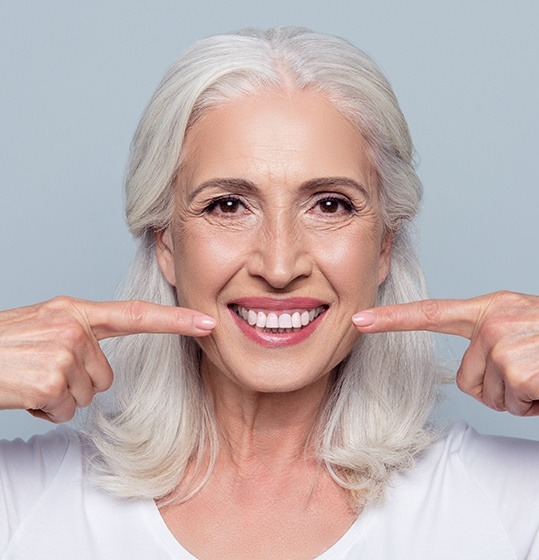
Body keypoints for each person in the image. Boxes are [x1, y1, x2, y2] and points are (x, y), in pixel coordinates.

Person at [0, 27, 538, 559]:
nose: (279, 266)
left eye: (330, 205)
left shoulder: (513, 508)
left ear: (383, 248)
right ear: (166, 242)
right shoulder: (22, 503)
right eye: (227, 206)